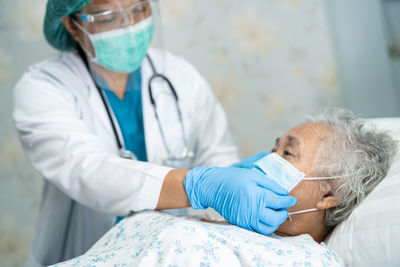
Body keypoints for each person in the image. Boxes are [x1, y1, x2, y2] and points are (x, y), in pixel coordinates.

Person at [13, 0, 297, 266]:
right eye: (108, 17)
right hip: (82, 251)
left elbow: (217, 155)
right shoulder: (43, 87)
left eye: (139, 9)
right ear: (72, 26)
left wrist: (231, 177)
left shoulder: (179, 75)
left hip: (173, 253)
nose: (128, 26)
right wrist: (198, 186)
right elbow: (84, 169)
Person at [50, 108, 397, 266]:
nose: (265, 159)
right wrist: (202, 186)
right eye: (273, 147)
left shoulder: (306, 261)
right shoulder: (222, 222)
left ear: (329, 195)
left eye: (287, 152)